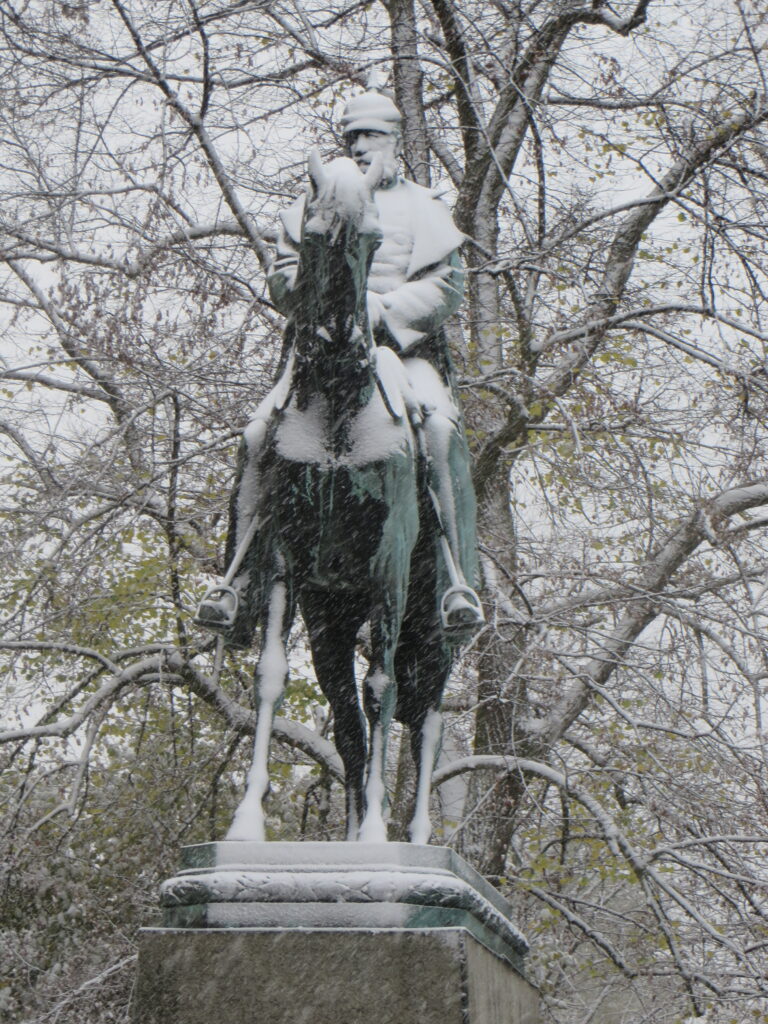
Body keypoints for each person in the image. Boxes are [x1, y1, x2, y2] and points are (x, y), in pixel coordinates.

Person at [196, 86, 483, 643]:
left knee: (443, 433)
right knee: (257, 437)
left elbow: (447, 286)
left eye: (371, 136)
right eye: (351, 137)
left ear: (395, 141)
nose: (359, 147)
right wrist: (319, 299)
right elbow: (283, 275)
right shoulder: (314, 204)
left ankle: (455, 583)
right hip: (321, 347)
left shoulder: (424, 206)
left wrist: (383, 310)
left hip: (402, 351)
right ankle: (238, 586)